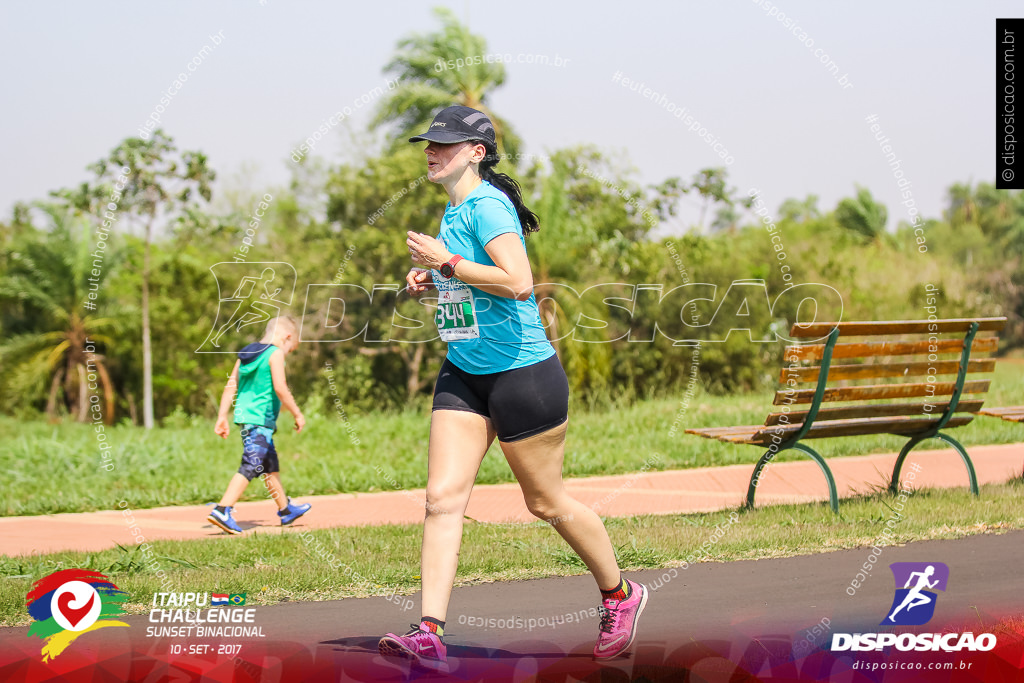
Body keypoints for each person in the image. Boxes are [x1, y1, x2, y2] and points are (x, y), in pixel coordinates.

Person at [378, 106, 648, 672]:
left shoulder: (487, 205)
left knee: (545, 501)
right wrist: (435, 276)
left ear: (476, 152)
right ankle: (429, 631)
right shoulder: (454, 208)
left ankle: (621, 594)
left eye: (444, 143)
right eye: (428, 142)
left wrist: (446, 260)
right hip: (466, 371)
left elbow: (519, 283)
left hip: (523, 375)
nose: (431, 150)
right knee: (440, 499)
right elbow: (475, 281)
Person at [209, 316, 311, 534]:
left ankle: (285, 510)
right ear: (287, 337)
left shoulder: (246, 353)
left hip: (246, 419)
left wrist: (222, 416)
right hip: (260, 420)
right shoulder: (274, 353)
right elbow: (280, 387)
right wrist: (297, 413)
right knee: (252, 463)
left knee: (269, 466)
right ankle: (222, 509)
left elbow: (231, 385)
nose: (288, 353)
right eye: (291, 349)